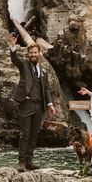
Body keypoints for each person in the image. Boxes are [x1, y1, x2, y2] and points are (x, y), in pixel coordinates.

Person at [9, 32, 56, 172]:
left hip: (39, 106)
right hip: (27, 104)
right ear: (28, 54)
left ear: (39, 53)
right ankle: (21, 161)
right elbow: (14, 60)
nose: (33, 54)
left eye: (35, 52)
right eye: (31, 53)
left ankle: (29, 160)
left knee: (34, 134)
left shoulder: (44, 71)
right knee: (25, 133)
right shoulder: (24, 65)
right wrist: (12, 46)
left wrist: (50, 104)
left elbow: (46, 89)